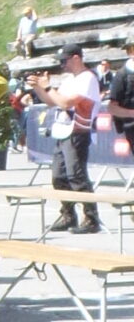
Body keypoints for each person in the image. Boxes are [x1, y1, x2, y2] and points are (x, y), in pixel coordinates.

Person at [34, 45, 102, 232]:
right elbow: (52, 101)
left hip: (78, 130)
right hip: (63, 130)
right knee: (59, 176)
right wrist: (38, 87)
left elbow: (65, 103)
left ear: (76, 58)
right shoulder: (70, 79)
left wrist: (47, 87)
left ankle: (91, 218)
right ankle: (68, 214)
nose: (63, 65)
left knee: (76, 175)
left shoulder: (88, 78)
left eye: (65, 61)